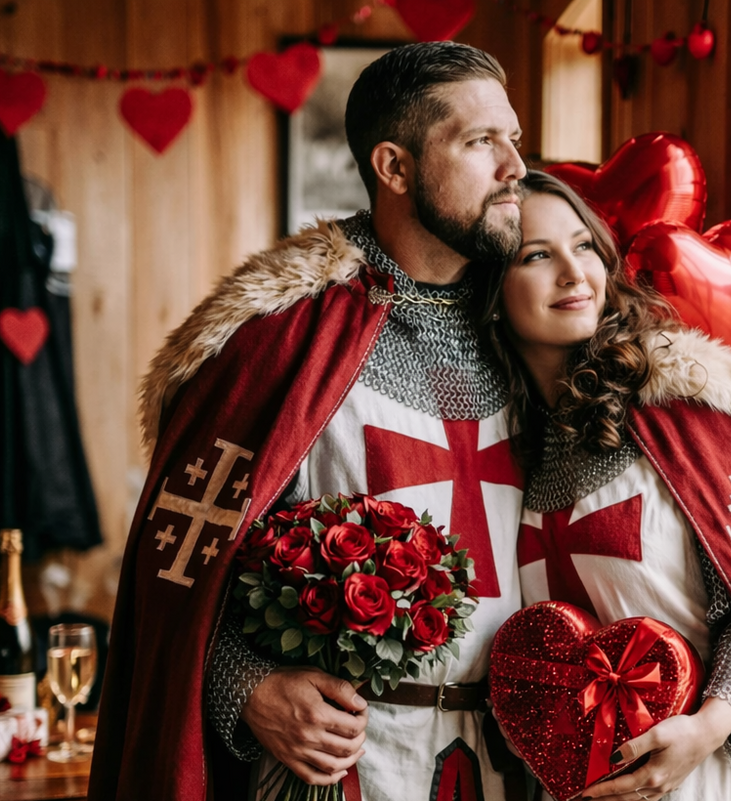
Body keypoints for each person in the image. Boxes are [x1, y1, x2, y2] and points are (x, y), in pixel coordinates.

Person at [88, 42, 530, 801]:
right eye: (481, 141)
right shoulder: (284, 339)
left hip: (511, 765)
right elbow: (175, 582)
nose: (515, 166)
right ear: (394, 167)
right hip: (336, 767)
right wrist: (246, 686)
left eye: (514, 138)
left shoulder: (532, 331)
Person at [481, 171, 731, 801]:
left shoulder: (685, 419)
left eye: (585, 247)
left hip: (709, 777)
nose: (574, 274)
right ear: (494, 290)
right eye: (537, 255)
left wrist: (706, 728)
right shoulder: (509, 449)